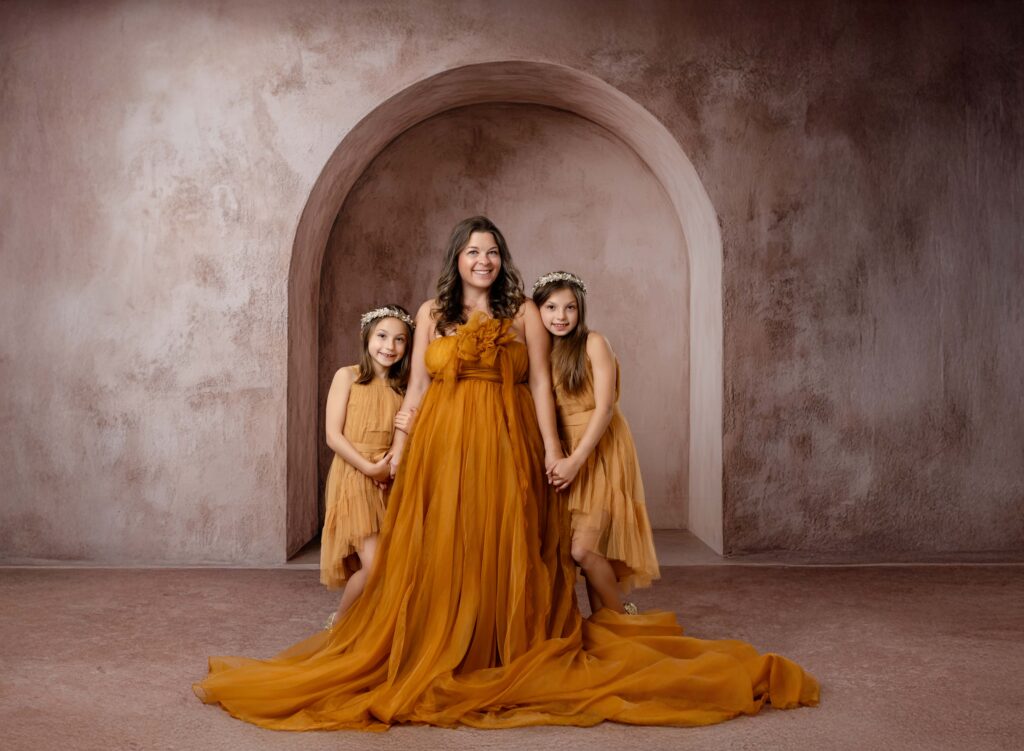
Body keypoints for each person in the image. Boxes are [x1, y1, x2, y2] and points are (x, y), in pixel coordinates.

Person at [194, 216, 819, 730]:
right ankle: (449, 641)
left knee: (509, 542)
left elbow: (543, 385)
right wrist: (397, 461)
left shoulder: (523, 312)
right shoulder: (431, 314)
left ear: (503, 260)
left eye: (492, 251)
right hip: (439, 449)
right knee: (447, 546)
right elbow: (413, 395)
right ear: (456, 259)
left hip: (506, 443)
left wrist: (552, 449)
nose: (483, 260)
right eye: (473, 251)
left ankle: (501, 644)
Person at [533, 271, 660, 615]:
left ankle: (621, 617)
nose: (561, 316)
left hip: (600, 447)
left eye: (569, 307)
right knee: (583, 547)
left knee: (582, 549)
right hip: (566, 447)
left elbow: (604, 409)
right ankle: (602, 618)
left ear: (581, 309)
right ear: (537, 310)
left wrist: (575, 461)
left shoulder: (593, 343)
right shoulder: (539, 353)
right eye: (551, 307)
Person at [320, 304, 414, 626]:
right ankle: (340, 624)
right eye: (382, 336)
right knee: (374, 565)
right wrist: (369, 468)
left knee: (391, 565)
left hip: (389, 480)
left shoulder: (404, 388)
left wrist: (412, 430)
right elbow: (333, 436)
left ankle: (368, 625)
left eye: (399, 340)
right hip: (355, 476)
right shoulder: (348, 377)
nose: (390, 347)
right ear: (366, 337)